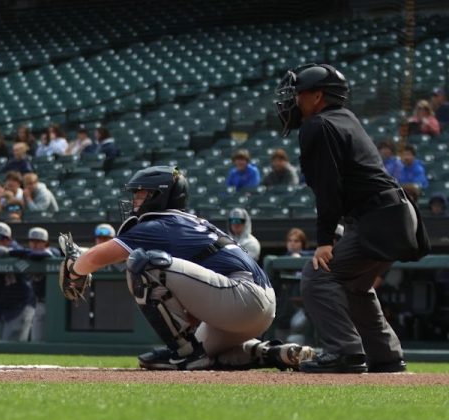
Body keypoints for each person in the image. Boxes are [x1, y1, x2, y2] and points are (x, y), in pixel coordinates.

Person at [66, 166, 309, 370]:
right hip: (254, 304)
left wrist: (75, 268)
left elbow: (94, 259)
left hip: (241, 295)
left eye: (140, 194)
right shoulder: (186, 221)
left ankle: (184, 351)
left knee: (144, 263)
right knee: (207, 356)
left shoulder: (159, 224)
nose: (134, 200)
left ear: (158, 195)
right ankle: (271, 353)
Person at [275, 63, 428, 373]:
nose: (293, 100)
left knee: (317, 276)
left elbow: (328, 188)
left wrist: (324, 241)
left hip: (379, 216)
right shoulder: (344, 118)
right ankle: (386, 356)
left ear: (317, 96)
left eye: (299, 94)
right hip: (395, 214)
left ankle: (345, 352)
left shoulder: (317, 125)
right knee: (355, 285)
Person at [23, 227, 58, 342]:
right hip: (39, 303)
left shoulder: (54, 253)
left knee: (54, 340)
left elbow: (49, 254)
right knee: (36, 340)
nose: (34, 244)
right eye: (32, 241)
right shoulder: (27, 257)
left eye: (38, 241)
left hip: (56, 305)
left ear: (46, 243)